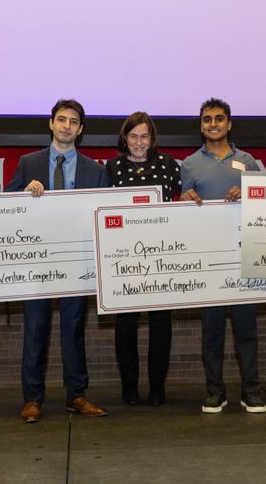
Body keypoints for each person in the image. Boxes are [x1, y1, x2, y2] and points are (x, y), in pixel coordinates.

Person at [6, 99, 110, 422]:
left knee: (73, 329)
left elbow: (103, 216)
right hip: (37, 260)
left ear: (80, 129)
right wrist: (24, 194)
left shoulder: (96, 170)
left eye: (73, 121)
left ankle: (76, 395)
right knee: (35, 329)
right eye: (61, 119)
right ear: (51, 124)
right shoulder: (28, 163)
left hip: (77, 263)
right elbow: (5, 208)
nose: (66, 125)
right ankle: (32, 399)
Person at [180, 98, 266, 414]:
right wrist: (184, 199)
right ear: (201, 125)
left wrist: (249, 194)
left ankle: (251, 391)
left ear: (229, 123)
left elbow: (265, 204)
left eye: (219, 118)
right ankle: (215, 391)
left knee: (247, 330)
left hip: (243, 257)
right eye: (207, 119)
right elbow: (183, 214)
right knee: (212, 331)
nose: (213, 124)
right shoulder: (189, 164)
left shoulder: (249, 162)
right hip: (208, 261)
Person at [106, 112, 182, 406]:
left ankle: (157, 388)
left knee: (161, 324)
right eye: (134, 136)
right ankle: (129, 389)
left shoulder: (168, 166)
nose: (139, 142)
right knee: (125, 324)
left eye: (145, 136)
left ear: (153, 139)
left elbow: (184, 199)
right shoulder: (112, 168)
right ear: (124, 138)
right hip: (124, 258)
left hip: (161, 255)